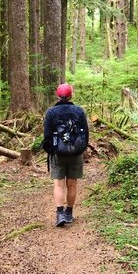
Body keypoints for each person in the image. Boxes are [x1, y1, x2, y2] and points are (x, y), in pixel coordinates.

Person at [41, 83, 89, 227]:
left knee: (59, 184)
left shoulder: (51, 112)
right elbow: (85, 134)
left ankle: (60, 213)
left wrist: (51, 151)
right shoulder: (79, 111)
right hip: (75, 153)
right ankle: (69, 212)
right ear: (71, 95)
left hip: (58, 153)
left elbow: (47, 135)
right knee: (72, 184)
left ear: (58, 96)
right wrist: (81, 149)